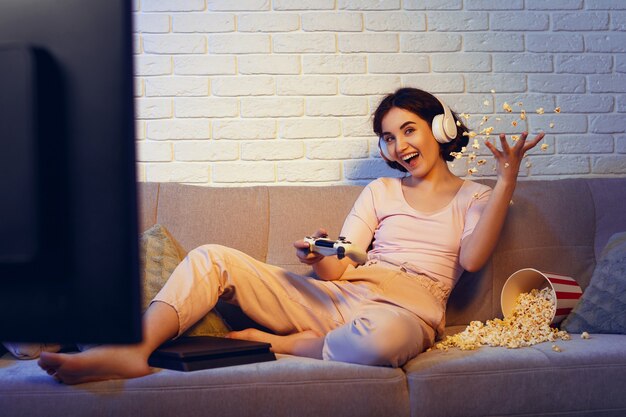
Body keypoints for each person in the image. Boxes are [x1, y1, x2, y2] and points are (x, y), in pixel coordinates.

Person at [38, 87, 544, 384]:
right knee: (213, 257)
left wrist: (505, 182)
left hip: (405, 312)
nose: (399, 145)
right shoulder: (381, 191)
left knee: (378, 344)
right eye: (389, 137)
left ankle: (283, 344)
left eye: (409, 130)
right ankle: (134, 349)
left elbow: (474, 259)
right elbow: (345, 262)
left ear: (439, 129)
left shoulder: (476, 197)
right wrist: (319, 254)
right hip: (342, 294)